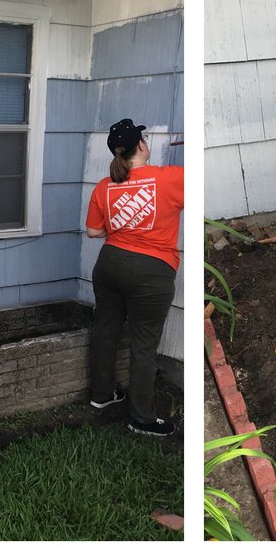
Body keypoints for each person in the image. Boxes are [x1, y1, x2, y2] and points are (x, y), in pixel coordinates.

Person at [86, 119, 184, 437]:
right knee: (143, 344)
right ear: (142, 145)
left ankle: (102, 396)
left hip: (109, 263)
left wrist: (122, 225)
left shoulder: (104, 186)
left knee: (105, 330)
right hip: (152, 271)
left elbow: (93, 231)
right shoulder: (169, 178)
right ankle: (140, 418)